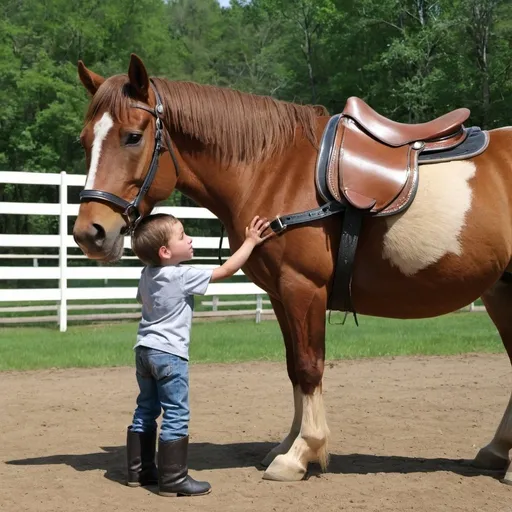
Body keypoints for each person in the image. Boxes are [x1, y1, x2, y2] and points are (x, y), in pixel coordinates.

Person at [126, 213, 272, 497]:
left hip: (144, 350)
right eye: (182, 236)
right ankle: (173, 479)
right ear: (165, 252)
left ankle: (138, 471)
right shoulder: (180, 275)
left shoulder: (147, 274)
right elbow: (226, 270)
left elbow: (144, 300)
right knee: (176, 412)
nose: (189, 239)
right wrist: (251, 241)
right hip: (170, 355)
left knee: (145, 409)